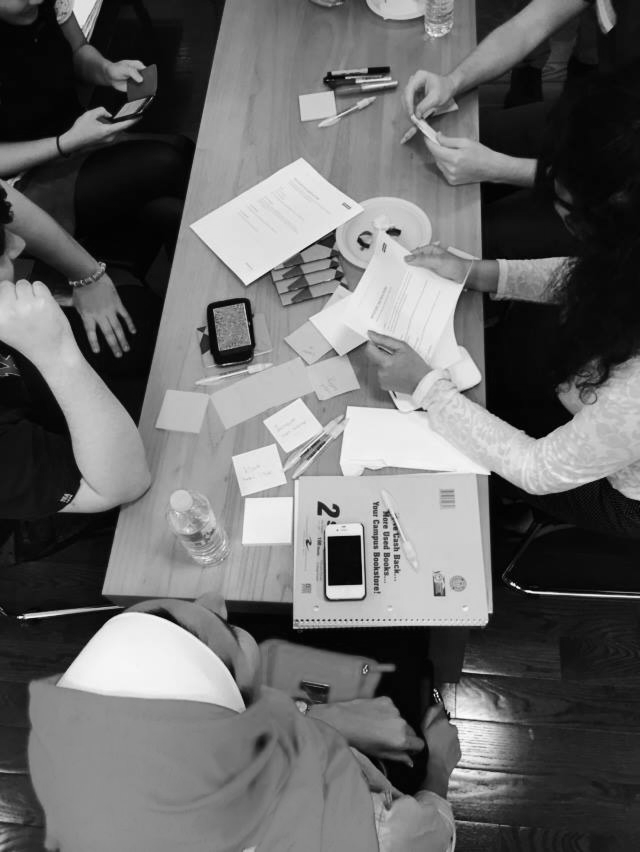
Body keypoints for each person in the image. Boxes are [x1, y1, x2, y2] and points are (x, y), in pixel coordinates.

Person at [368, 63, 640, 539]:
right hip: (595, 393)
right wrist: (483, 273)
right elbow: (595, 273)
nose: (555, 208)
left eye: (567, 210)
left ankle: (511, 517)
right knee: (497, 377)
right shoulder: (625, 260)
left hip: (616, 491)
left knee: (470, 435)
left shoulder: (632, 398)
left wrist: (427, 389)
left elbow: (536, 467)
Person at [28, 593, 460, 852]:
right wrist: (440, 765)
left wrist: (325, 719)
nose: (213, 597)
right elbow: (433, 836)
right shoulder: (371, 831)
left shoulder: (96, 806)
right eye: (224, 627)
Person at [403, 0, 640, 258]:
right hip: (589, 123)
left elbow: (615, 187)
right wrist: (452, 82)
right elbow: (528, 26)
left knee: (466, 239)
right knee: (466, 139)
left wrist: (500, 169)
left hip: (616, 211)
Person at [0, 0, 194, 279]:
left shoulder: (49, 5)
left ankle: (190, 279)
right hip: (23, 186)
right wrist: (65, 142)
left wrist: (106, 70)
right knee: (168, 163)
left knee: (178, 164)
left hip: (75, 138)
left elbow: (77, 50)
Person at [0, 185, 152, 518]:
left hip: (34, 380)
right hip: (87, 470)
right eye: (1, 246)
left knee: (145, 320)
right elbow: (126, 484)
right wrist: (57, 354)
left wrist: (87, 275)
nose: (19, 245)